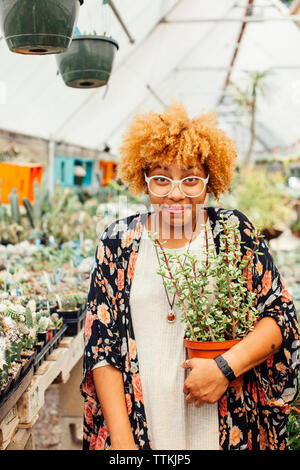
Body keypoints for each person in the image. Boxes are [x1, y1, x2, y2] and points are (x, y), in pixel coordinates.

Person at [81, 102, 300, 450]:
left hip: (223, 426)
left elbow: (280, 316)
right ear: (144, 179)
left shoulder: (232, 233)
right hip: (145, 428)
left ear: (210, 179)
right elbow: (101, 346)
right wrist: (122, 443)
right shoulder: (119, 243)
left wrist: (225, 368)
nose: (177, 192)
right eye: (162, 178)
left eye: (191, 178)